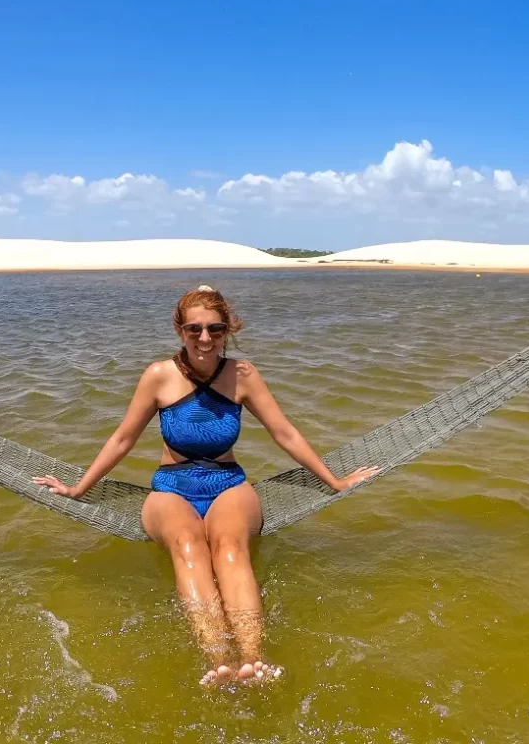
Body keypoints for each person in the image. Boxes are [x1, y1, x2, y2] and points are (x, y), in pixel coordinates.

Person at [34, 286, 378, 685]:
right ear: (179, 330)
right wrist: (80, 488)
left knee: (230, 550)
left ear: (227, 330)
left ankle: (252, 658)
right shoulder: (159, 376)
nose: (205, 338)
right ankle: (217, 658)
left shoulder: (242, 375)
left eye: (215, 329)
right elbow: (122, 440)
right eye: (194, 328)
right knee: (188, 548)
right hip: (170, 488)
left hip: (229, 484)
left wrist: (334, 482)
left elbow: (284, 433)